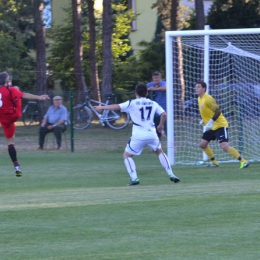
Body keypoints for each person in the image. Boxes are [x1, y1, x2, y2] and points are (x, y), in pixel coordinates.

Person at [94, 83, 180, 185]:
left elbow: (117, 106)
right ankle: (171, 174)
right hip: (152, 134)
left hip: (138, 135)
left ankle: (134, 178)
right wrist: (161, 126)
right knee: (159, 151)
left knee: (127, 155)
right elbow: (164, 114)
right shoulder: (152, 103)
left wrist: (103, 107)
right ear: (147, 93)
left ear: (136, 93)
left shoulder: (132, 103)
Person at [0, 71, 49, 177]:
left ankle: (16, 166)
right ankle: (16, 166)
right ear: (7, 81)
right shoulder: (11, 89)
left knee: (10, 142)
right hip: (14, 115)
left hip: (3, 119)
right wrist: (39, 97)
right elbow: (25, 95)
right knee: (17, 91)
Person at [195, 80, 249, 169]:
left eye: (198, 87)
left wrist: (211, 122)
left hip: (220, 125)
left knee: (224, 146)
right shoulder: (199, 99)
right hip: (211, 126)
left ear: (204, 88)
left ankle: (243, 161)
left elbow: (218, 111)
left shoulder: (208, 98)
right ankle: (214, 162)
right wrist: (203, 120)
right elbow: (207, 112)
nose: (196, 89)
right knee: (202, 144)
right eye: (195, 87)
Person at [147, 71, 167, 139]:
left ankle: (174, 146)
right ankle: (157, 147)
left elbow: (166, 87)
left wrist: (155, 89)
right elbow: (143, 89)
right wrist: (148, 89)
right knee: (155, 130)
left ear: (160, 78)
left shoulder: (163, 83)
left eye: (157, 78)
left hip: (164, 110)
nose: (156, 79)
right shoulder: (150, 84)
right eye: (154, 78)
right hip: (154, 111)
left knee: (168, 129)